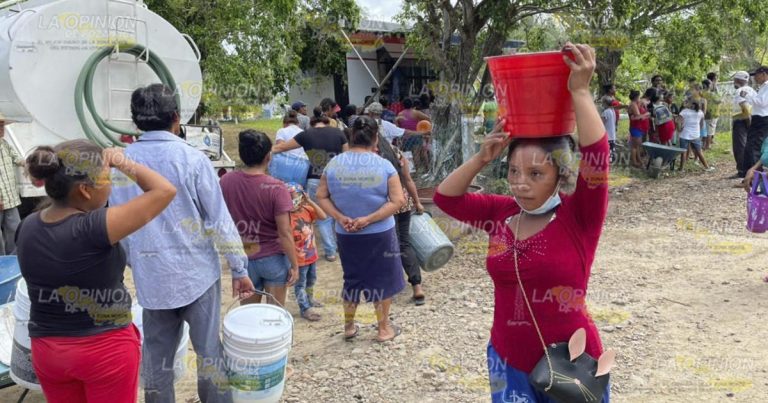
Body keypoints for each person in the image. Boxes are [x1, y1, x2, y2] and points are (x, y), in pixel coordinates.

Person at [434, 43, 611, 402]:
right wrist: (481, 159)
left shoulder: (579, 217)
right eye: (513, 171)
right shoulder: (501, 212)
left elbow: (597, 157)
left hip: (571, 363)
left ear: (559, 175)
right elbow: (444, 199)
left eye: (535, 173)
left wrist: (579, 90)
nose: (520, 182)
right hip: (506, 358)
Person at [109, 84, 255, 403]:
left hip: (152, 278)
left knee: (157, 362)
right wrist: (239, 268)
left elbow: (117, 226)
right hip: (197, 275)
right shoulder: (191, 159)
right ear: (176, 118)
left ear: (136, 122)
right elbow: (218, 219)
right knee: (209, 354)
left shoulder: (120, 166)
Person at [18, 140, 176, 403]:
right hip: (104, 352)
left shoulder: (28, 226)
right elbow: (164, 190)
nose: (111, 184)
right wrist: (121, 161)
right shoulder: (93, 228)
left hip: (48, 351)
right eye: (107, 178)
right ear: (85, 190)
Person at [316, 116, 406, 342]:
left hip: (346, 234)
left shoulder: (333, 164)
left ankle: (349, 326)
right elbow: (398, 201)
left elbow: (321, 196)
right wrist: (369, 219)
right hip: (380, 234)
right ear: (375, 138)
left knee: (352, 278)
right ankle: (384, 329)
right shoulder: (384, 165)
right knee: (382, 279)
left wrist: (340, 217)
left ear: (351, 136)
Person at [221, 131, 299, 307]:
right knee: (275, 317)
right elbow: (285, 231)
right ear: (268, 156)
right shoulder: (277, 188)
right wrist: (295, 264)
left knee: (250, 318)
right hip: (273, 259)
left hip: (243, 259)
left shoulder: (226, 182)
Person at [272, 107, 349, 262]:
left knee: (323, 217)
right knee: (338, 212)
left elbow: (281, 147)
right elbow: (347, 157)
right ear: (327, 122)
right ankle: (342, 247)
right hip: (337, 179)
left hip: (316, 179)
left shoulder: (306, 134)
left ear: (312, 123)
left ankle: (330, 251)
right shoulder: (338, 133)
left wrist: (266, 153)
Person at [371, 111, 428, 305]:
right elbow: (408, 180)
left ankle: (389, 288)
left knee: (386, 245)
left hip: (382, 207)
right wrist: (417, 201)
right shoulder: (396, 152)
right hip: (403, 203)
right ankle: (417, 287)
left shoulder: (368, 156)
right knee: (404, 244)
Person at [286, 182, 326, 321]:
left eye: (294, 196)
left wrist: (309, 201)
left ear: (302, 197)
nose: (291, 200)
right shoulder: (285, 217)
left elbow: (323, 216)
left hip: (311, 255)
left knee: (311, 280)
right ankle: (305, 308)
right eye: (288, 197)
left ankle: (309, 299)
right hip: (298, 259)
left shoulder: (307, 210)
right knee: (300, 284)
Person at [0, 117, 24, 255]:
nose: (1, 129)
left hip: (10, 198)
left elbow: (17, 159)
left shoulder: (4, 144)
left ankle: (13, 262)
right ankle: (1, 264)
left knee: (15, 229)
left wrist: (31, 164)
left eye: (2, 125)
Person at [741, 66, 768, 182]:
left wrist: (747, 95)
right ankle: (752, 176)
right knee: (752, 145)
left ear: (763, 74)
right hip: (759, 118)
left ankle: (756, 178)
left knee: (754, 146)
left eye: (756, 75)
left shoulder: (767, 86)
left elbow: (761, 103)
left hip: (762, 119)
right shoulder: (762, 87)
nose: (755, 78)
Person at [678, 99, 714, 171]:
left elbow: (679, 122)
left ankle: (681, 169)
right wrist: (697, 131)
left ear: (691, 104)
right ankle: (707, 167)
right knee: (699, 151)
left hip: (684, 134)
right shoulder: (700, 113)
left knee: (683, 152)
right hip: (695, 135)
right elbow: (701, 124)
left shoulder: (684, 112)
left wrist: (679, 129)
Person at [731, 71, 755, 179]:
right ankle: (749, 169)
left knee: (740, 146)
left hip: (742, 120)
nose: (733, 82)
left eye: (734, 80)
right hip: (751, 119)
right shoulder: (753, 91)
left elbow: (745, 109)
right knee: (749, 146)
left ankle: (742, 171)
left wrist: (748, 123)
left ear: (739, 80)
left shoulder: (740, 91)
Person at [628, 90, 650, 167]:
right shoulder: (633, 104)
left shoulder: (635, 104)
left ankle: (639, 160)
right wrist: (646, 114)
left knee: (637, 145)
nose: (640, 99)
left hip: (637, 127)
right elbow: (638, 117)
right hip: (635, 127)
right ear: (636, 97)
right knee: (635, 146)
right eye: (639, 97)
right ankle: (634, 162)